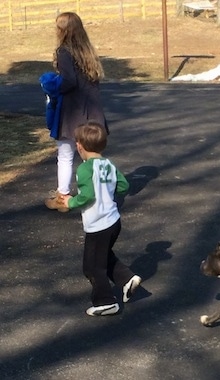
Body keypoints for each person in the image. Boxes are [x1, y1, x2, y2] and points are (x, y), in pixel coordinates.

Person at [61, 122, 141, 316]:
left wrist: (70, 202)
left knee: (92, 266)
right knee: (103, 256)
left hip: (98, 225)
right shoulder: (109, 164)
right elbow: (123, 187)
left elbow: (87, 196)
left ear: (79, 146)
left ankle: (105, 302)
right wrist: (107, 193)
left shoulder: (85, 169)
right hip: (113, 221)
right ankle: (127, 278)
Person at [45, 12, 107, 212]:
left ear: (62, 30)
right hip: (92, 111)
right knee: (91, 155)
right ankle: (97, 193)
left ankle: (62, 197)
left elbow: (69, 81)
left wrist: (54, 89)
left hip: (72, 112)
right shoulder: (88, 50)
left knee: (65, 154)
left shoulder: (64, 51)